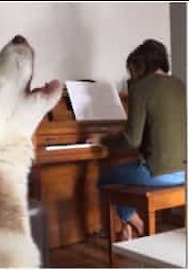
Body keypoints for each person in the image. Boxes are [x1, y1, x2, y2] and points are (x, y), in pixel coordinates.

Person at [91, 39, 186, 241]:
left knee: (104, 178)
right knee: (125, 172)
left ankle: (134, 222)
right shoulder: (180, 85)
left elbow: (131, 140)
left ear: (141, 65)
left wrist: (104, 139)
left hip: (159, 174)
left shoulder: (141, 88)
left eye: (132, 71)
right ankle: (127, 228)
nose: (131, 77)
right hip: (184, 172)